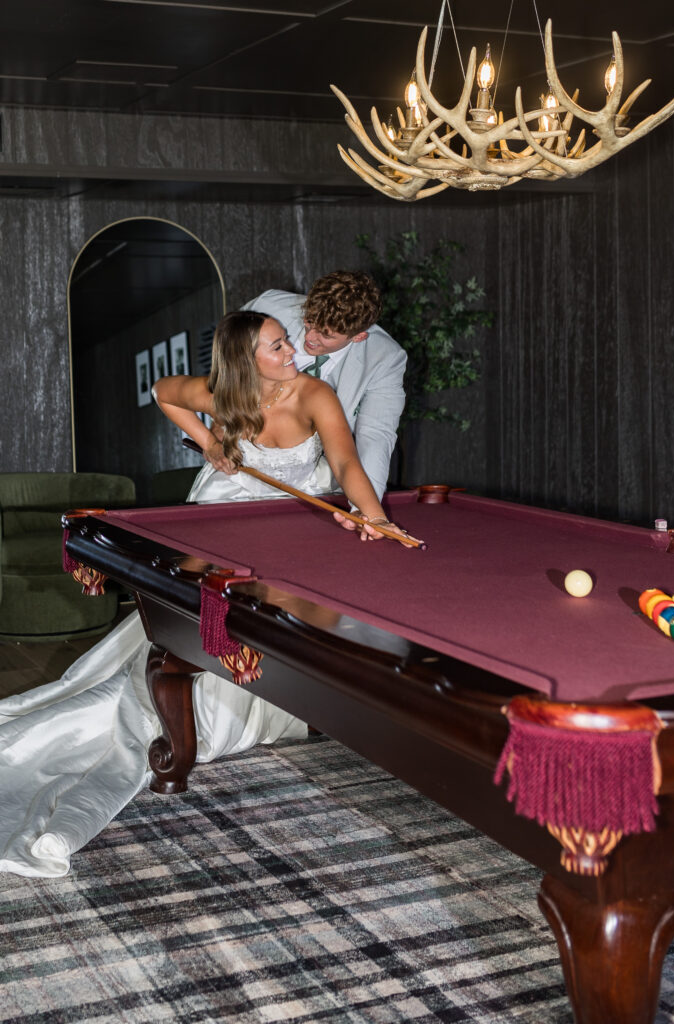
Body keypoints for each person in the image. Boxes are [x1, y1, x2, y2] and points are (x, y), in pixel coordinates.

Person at [0, 312, 406, 879]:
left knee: (271, 621)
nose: (290, 349)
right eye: (276, 345)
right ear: (246, 360)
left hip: (292, 532)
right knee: (207, 623)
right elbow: (164, 392)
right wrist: (210, 441)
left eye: (286, 341)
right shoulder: (221, 392)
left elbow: (344, 461)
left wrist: (375, 517)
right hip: (222, 520)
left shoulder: (315, 392)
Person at [242, 270, 406, 508]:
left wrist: (365, 510)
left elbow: (375, 437)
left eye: (326, 335)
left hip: (319, 480)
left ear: (358, 336)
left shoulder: (385, 358)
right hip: (246, 462)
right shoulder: (267, 307)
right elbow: (226, 367)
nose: (310, 337)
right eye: (309, 321)